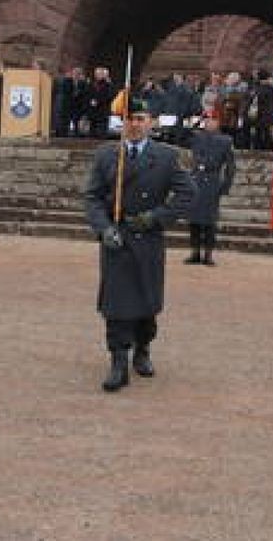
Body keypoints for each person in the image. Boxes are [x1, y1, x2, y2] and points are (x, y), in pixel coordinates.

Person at [83, 96, 193, 393]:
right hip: (116, 239)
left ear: (151, 123)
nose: (134, 124)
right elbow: (92, 197)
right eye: (130, 118)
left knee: (146, 303)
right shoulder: (107, 155)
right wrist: (103, 228)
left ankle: (143, 348)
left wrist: (156, 217)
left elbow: (187, 194)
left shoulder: (167, 157)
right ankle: (118, 362)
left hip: (147, 239)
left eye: (141, 118)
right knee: (116, 305)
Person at [184, 109, 235, 267]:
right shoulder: (197, 137)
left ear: (218, 122)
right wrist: (198, 121)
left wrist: (225, 185)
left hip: (212, 180)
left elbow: (231, 166)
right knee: (194, 219)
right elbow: (182, 134)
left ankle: (208, 254)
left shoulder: (225, 140)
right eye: (207, 120)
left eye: (212, 120)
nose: (209, 123)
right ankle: (195, 252)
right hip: (196, 180)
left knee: (209, 221)